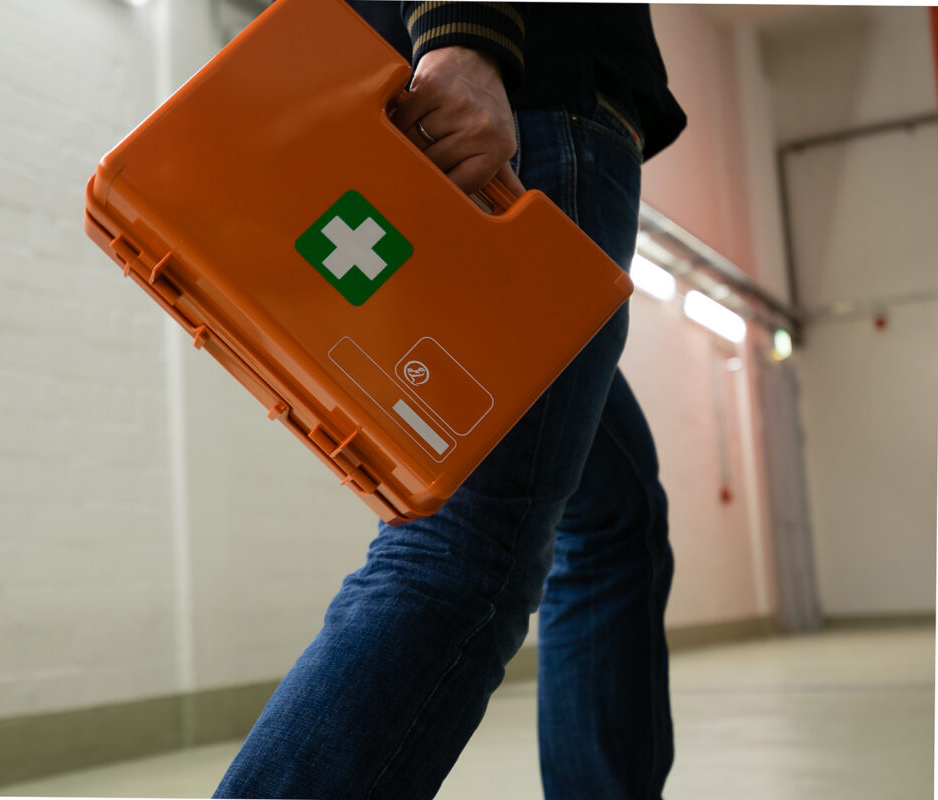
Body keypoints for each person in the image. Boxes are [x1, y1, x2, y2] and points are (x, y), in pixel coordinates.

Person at [215, 3, 686, 798]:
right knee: (466, 549)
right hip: (520, 105)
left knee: (612, 515)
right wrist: (467, 35)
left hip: (434, 96)